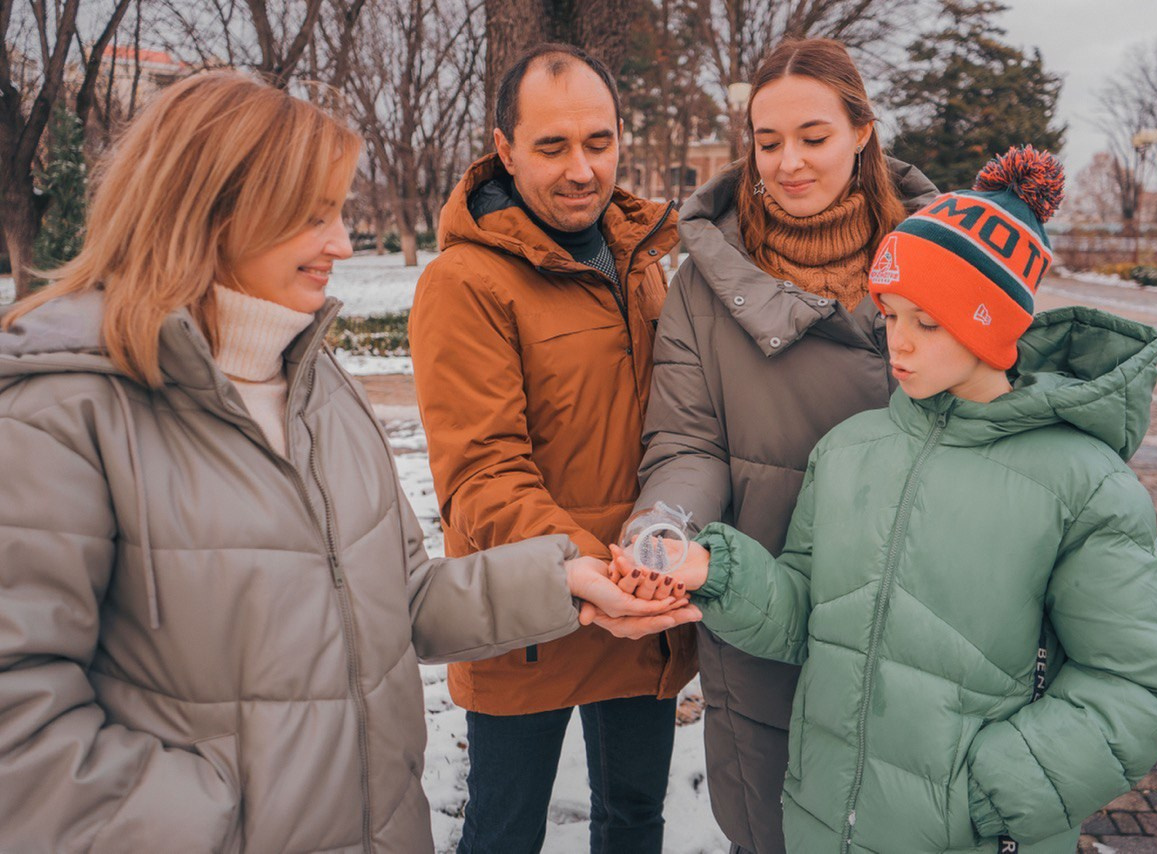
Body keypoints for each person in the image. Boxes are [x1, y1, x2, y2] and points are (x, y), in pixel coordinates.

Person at [0, 71, 687, 854]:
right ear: (209, 210)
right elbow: (20, 732)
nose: (342, 243)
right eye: (312, 216)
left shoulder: (317, 386)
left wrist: (562, 579)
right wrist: (221, 824)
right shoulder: (61, 411)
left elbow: (400, 602)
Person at [617, 147, 1157, 852]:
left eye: (930, 322)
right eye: (891, 316)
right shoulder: (851, 449)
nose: (901, 345)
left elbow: (1140, 685)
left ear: (992, 324)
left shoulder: (1084, 485)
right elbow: (808, 613)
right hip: (825, 827)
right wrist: (718, 572)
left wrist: (991, 791)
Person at [631, 37, 937, 854]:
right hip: (765, 621)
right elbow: (687, 442)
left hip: (935, 622)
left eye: (815, 136)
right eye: (769, 143)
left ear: (863, 131)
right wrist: (662, 526)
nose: (789, 163)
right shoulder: (701, 287)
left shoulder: (941, 257)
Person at [408, 44, 699, 854]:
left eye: (598, 143)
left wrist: (647, 562)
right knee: (505, 833)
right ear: (503, 149)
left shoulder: (640, 262)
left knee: (636, 818)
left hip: (638, 603)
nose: (582, 170)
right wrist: (597, 573)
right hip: (527, 609)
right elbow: (481, 476)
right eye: (552, 147)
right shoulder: (465, 283)